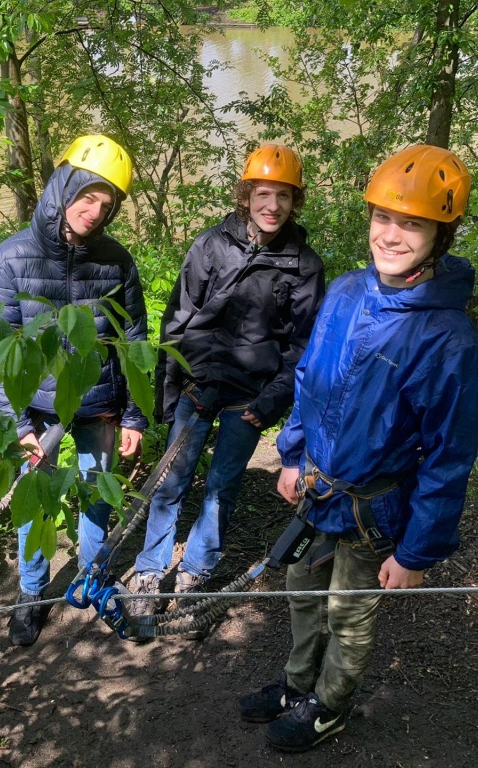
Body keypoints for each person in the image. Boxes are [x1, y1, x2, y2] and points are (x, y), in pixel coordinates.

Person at [237, 144, 478, 752]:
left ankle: (330, 704)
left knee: (349, 613)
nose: (392, 235)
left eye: (413, 223)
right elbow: (310, 381)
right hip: (317, 484)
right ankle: (298, 683)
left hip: (374, 508)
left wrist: (419, 553)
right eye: (384, 218)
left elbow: (449, 456)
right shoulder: (347, 292)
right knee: (301, 586)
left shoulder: (448, 339)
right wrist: (292, 455)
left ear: (441, 234)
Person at [127, 144, 325, 620]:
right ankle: (150, 571)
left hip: (250, 396)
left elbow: (303, 346)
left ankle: (196, 570)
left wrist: (272, 400)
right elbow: (176, 320)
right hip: (199, 385)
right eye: (263, 193)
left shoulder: (304, 265)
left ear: (294, 201)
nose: (272, 205)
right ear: (246, 196)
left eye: (282, 195)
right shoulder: (211, 246)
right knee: (170, 480)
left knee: (222, 484)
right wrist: (170, 391)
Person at [0, 135, 148, 647]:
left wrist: (137, 417)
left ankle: (91, 579)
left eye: (107, 205)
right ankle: (32, 592)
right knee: (33, 505)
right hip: (38, 409)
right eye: (87, 197)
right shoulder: (10, 259)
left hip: (100, 404)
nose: (94, 212)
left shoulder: (117, 262)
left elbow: (136, 341)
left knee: (98, 498)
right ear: (62, 187)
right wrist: (18, 426)